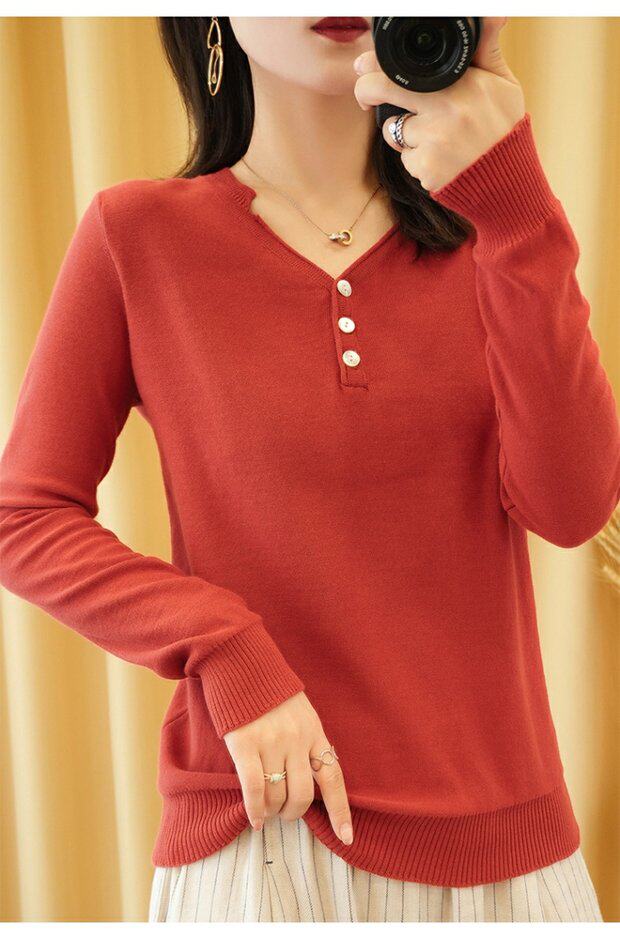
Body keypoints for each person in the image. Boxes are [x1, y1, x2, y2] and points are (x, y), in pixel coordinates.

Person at [1, 15, 618, 923]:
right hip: (263, 839)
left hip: (504, 852)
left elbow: (570, 505)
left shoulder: (496, 231)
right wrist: (222, 644)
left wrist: (515, 201)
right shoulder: (137, 235)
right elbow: (23, 516)